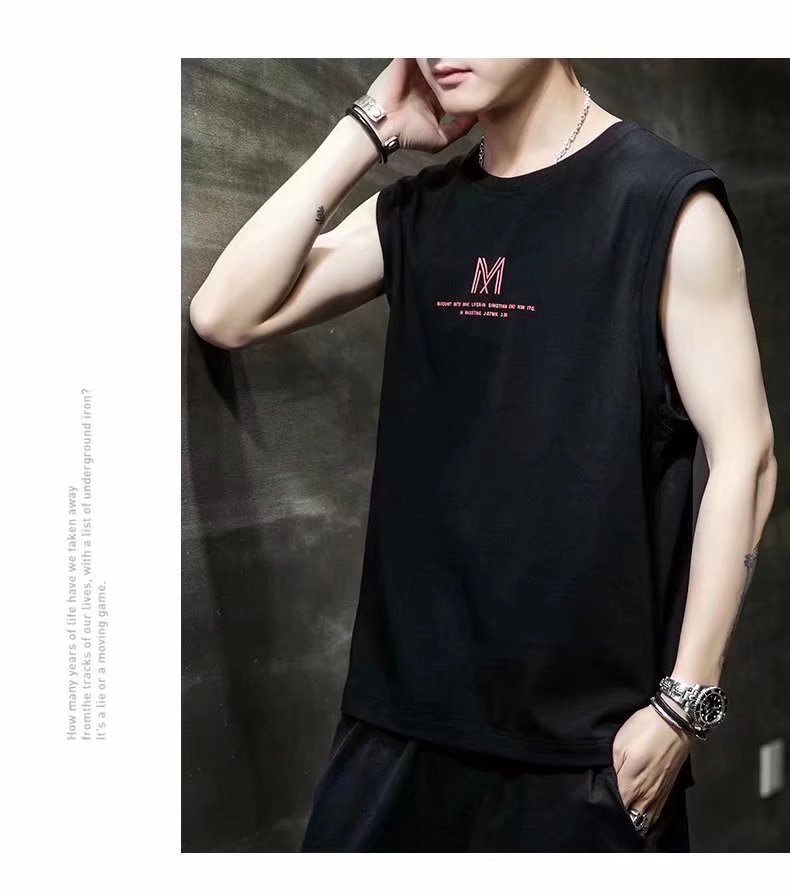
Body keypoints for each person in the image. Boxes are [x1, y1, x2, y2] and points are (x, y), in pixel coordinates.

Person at [189, 58, 777, 852]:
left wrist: (684, 706)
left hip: (581, 757)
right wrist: (369, 129)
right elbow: (225, 312)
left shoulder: (662, 202)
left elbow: (746, 456)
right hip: (395, 731)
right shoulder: (423, 207)